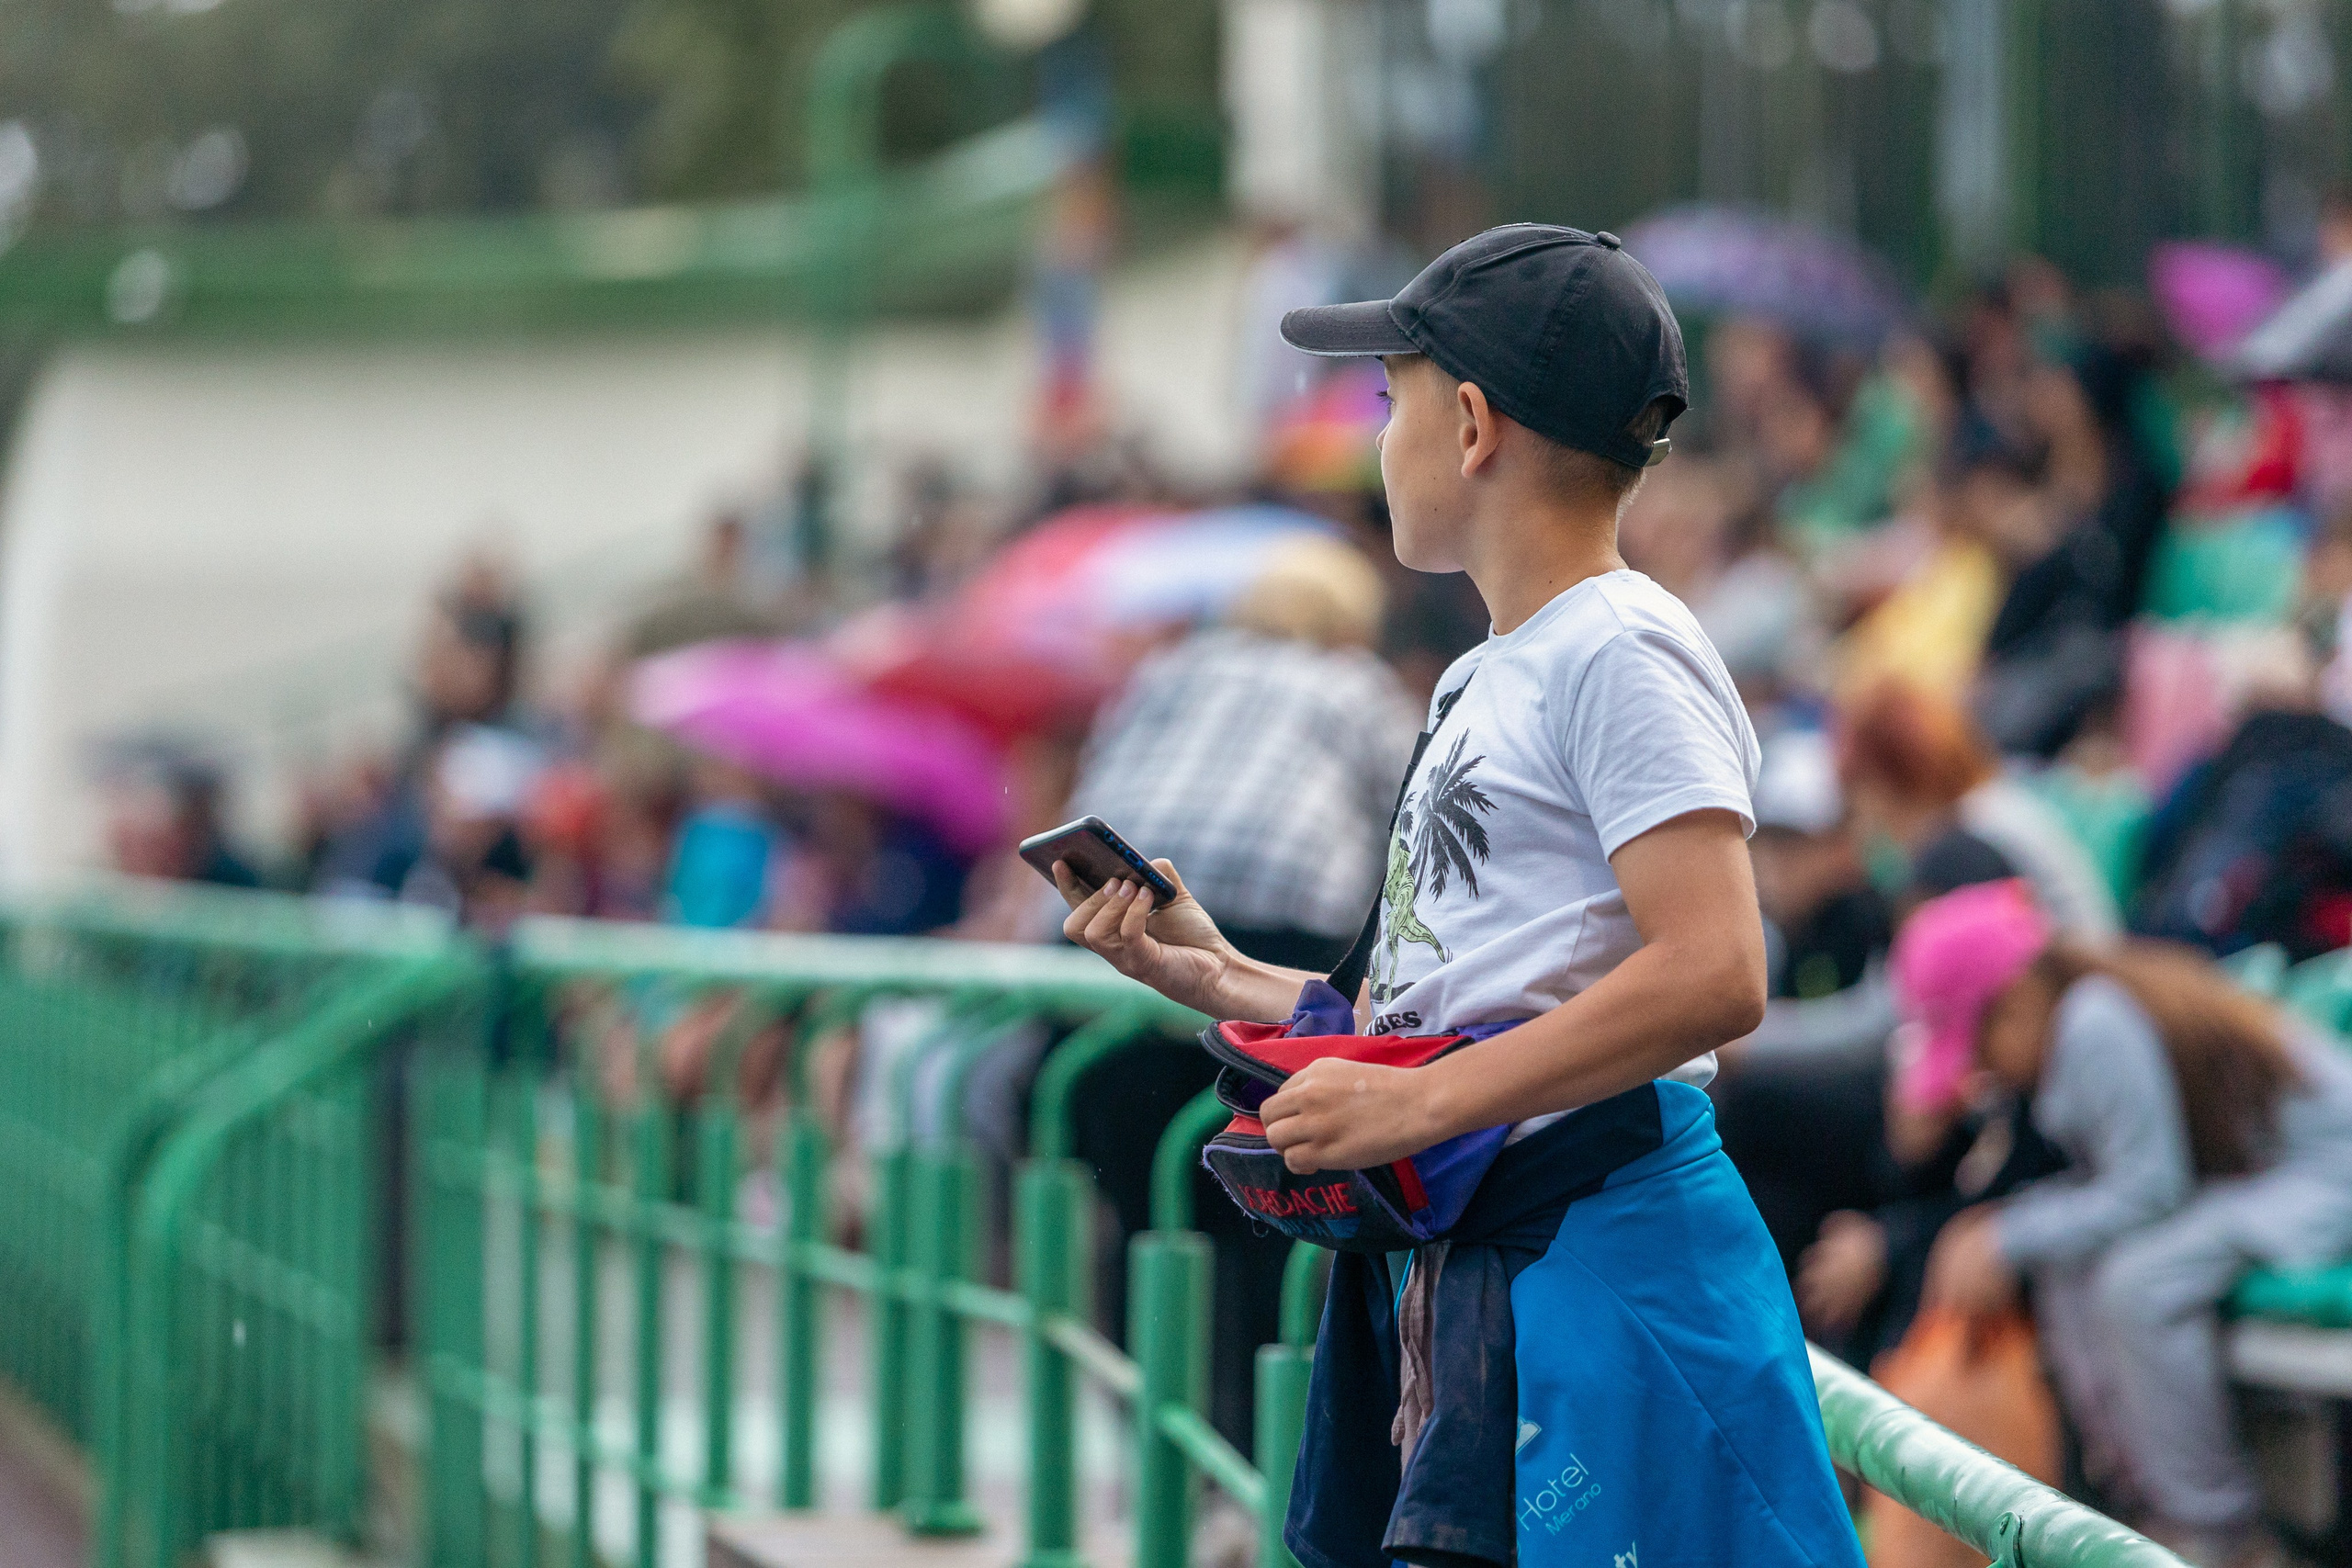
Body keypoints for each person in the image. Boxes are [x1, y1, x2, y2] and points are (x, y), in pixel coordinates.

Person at [1056, 225, 1860, 1568]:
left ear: (1473, 423)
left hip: (1606, 1252)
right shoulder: (1487, 669)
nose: (1382, 443)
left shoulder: (1620, 644)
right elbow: (1454, 986)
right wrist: (1222, 974)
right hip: (1496, 1256)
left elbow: (1717, 969)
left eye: (1390, 403)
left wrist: (1422, 1103)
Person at [1903, 880, 2352, 1568]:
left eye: (1982, 1048)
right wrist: (2008, 1229)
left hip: (2324, 1170)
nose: (1984, 1073)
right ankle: (2132, 1500)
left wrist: (2006, 1233)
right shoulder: (2080, 1015)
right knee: (2081, 1262)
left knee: (2139, 1278)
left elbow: (2149, 1191)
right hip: (2266, 1175)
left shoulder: (2092, 1021)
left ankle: (2217, 1533)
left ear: (2017, 1000)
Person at [1060, 535, 1419, 972]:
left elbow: (1097, 768)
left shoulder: (1172, 666)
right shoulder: (1358, 683)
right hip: (1283, 907)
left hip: (1112, 894)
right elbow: (1411, 811)